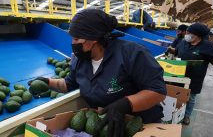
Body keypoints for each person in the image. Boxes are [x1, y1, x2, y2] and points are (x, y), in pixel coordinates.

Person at [29, 9, 167, 136]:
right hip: (107, 128)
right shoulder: (80, 59)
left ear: (93, 40)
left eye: (76, 39)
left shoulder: (131, 53)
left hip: (143, 126)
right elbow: (68, 84)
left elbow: (158, 91)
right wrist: (47, 82)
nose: (72, 43)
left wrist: (125, 104)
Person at [167, 23, 213, 125]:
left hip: (194, 78)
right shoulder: (184, 42)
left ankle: (187, 115)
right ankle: (175, 112)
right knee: (178, 93)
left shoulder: (207, 46)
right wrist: (171, 50)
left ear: (198, 35)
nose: (187, 34)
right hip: (179, 75)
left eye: (189, 33)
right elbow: (177, 51)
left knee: (191, 97)